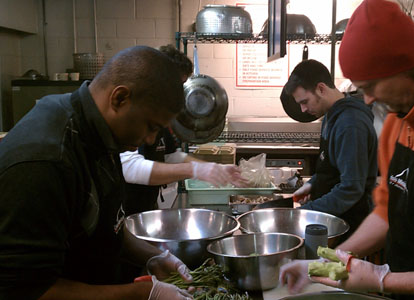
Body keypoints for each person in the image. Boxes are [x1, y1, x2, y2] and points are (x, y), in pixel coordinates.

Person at [279, 0, 414, 299]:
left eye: (370, 87)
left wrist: (382, 280)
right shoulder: (401, 114)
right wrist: (325, 264)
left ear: (404, 68)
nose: (367, 101)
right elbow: (386, 211)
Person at [0, 46, 194, 299]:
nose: (149, 139)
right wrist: (142, 293)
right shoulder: (45, 162)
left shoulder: (98, 131)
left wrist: (154, 256)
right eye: (151, 127)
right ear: (119, 98)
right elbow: (29, 290)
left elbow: (108, 224)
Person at [121, 45, 245, 216]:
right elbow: (129, 167)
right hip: (123, 210)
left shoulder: (160, 114)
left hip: (146, 207)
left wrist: (212, 168)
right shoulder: (131, 110)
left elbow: (170, 156)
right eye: (177, 85)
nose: (179, 94)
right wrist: (194, 171)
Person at [283, 59, 378, 242]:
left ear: (321, 88)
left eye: (304, 102)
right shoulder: (331, 116)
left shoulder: (350, 124)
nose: (303, 110)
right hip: (331, 219)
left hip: (348, 225)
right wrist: (312, 184)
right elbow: (331, 167)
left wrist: (303, 214)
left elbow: (351, 189)